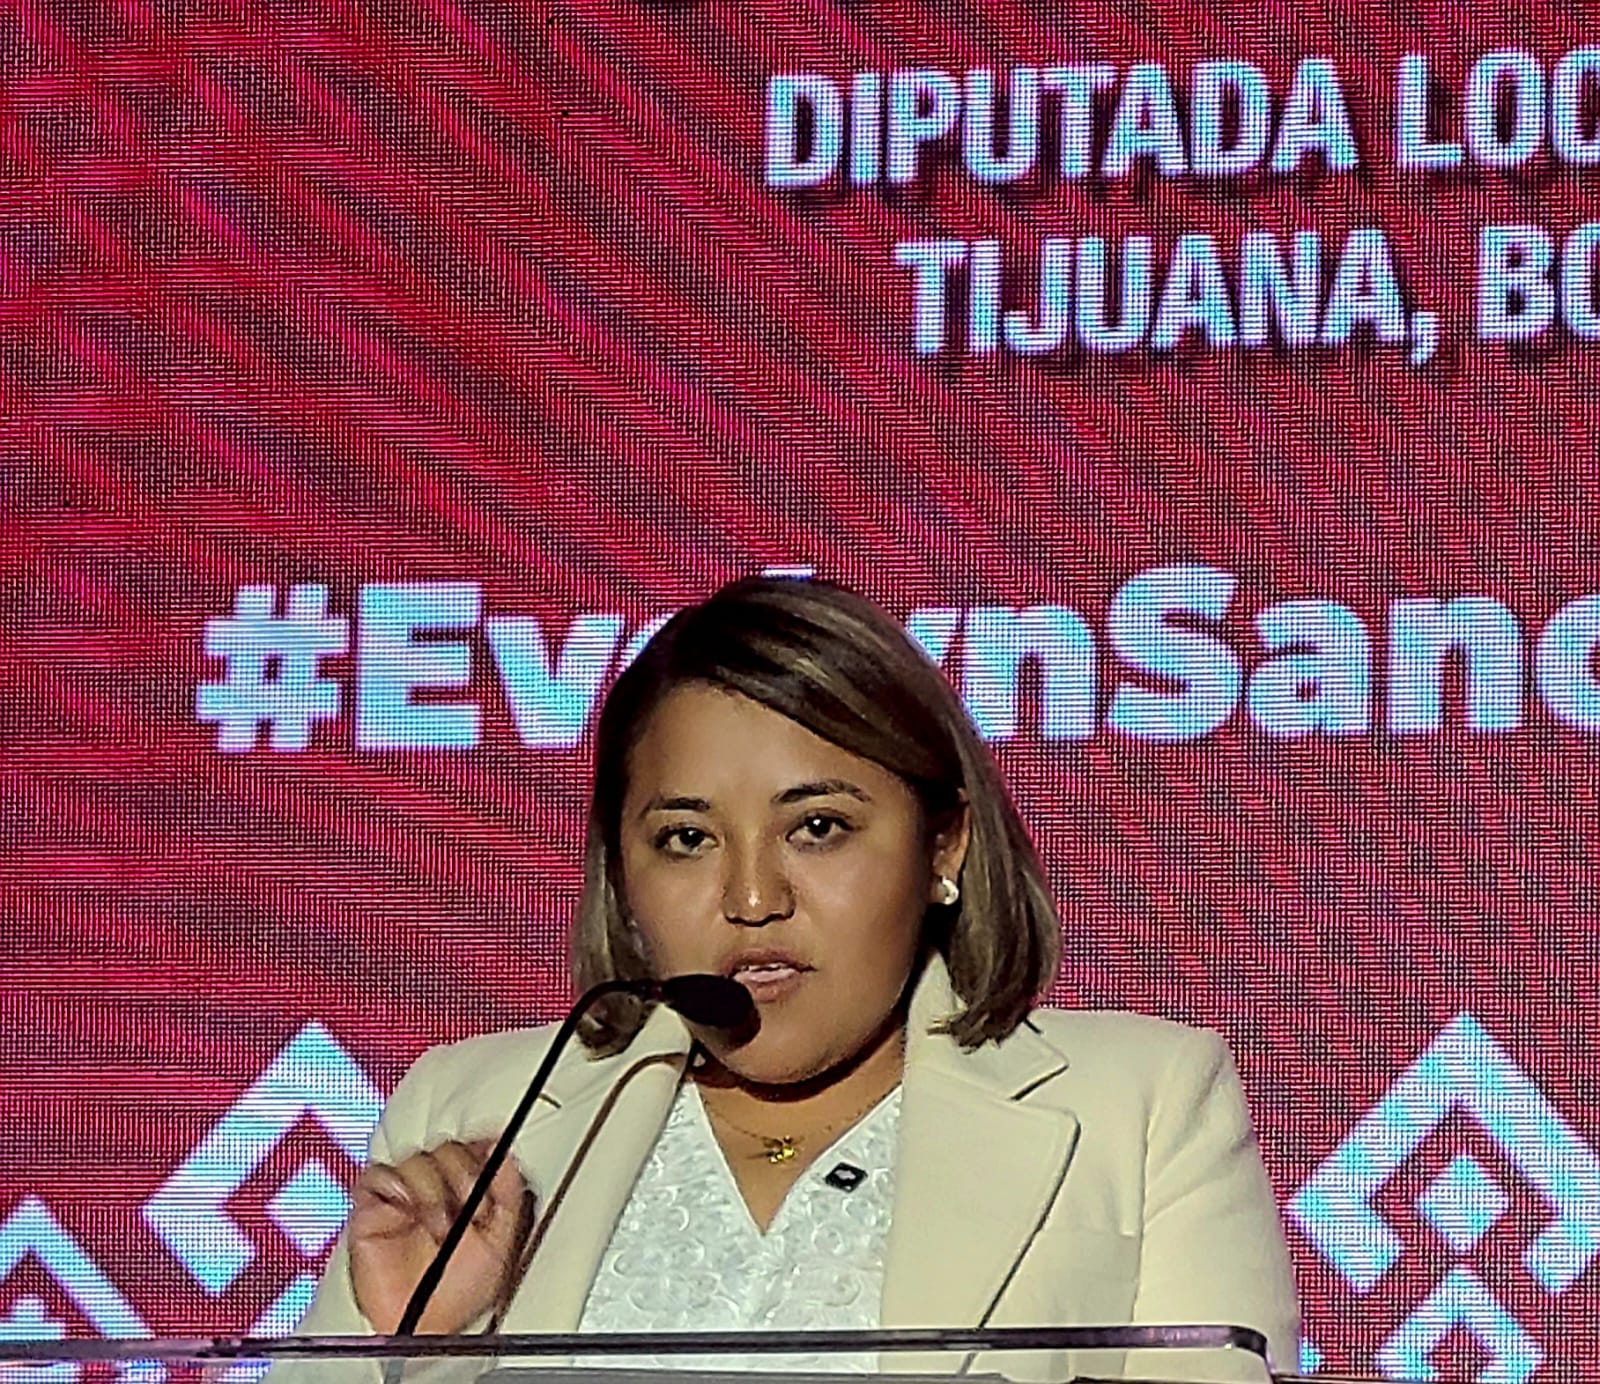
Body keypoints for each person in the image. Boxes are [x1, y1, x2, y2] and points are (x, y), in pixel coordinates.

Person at [296, 577, 1301, 1381]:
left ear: (943, 844)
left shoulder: (1140, 1109)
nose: (750, 898)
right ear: (622, 870)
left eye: (817, 827)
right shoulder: (476, 1112)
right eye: (686, 838)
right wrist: (419, 1351)